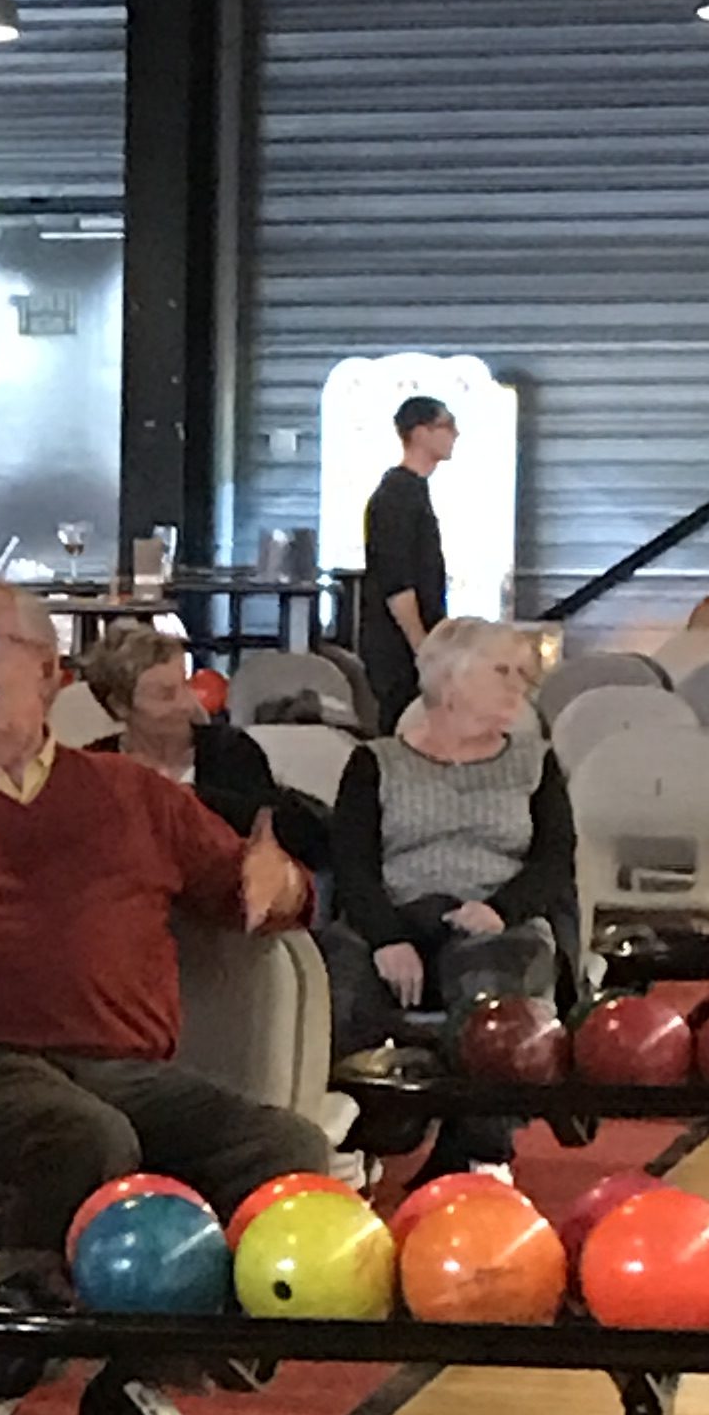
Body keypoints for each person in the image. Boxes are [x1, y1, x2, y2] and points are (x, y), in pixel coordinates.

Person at [0, 578, 330, 1415]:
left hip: (125, 1064)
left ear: (50, 671)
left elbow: (258, 888)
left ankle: (137, 1381)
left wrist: (283, 882)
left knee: (289, 1145)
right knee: (86, 1138)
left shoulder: (132, 795)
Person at [325, 613, 577, 1056]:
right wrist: (387, 937)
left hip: (499, 920)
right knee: (343, 989)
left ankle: (480, 1123)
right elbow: (352, 864)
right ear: (450, 679)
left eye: (522, 674)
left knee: (494, 1009)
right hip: (395, 912)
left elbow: (554, 860)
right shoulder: (376, 762)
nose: (517, 686)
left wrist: (501, 909)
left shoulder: (536, 762)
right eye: (501, 670)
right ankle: (374, 1116)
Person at [80, 616, 328, 871]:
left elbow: (293, 836)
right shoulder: (93, 771)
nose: (187, 704)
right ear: (119, 706)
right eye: (166, 695)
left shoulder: (231, 752)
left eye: (186, 685)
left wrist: (194, 799)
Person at [360, 392, 455, 721]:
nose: (455, 434)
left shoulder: (413, 491)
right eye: (447, 425)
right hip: (398, 654)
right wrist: (421, 646)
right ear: (420, 432)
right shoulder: (396, 497)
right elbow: (396, 580)